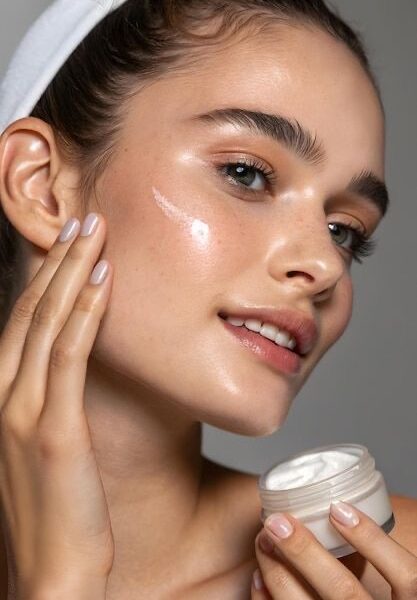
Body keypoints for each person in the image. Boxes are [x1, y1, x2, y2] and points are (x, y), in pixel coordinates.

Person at [0, 0, 416, 598]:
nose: (326, 265)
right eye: (246, 173)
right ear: (40, 186)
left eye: (344, 231)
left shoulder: (391, 567)